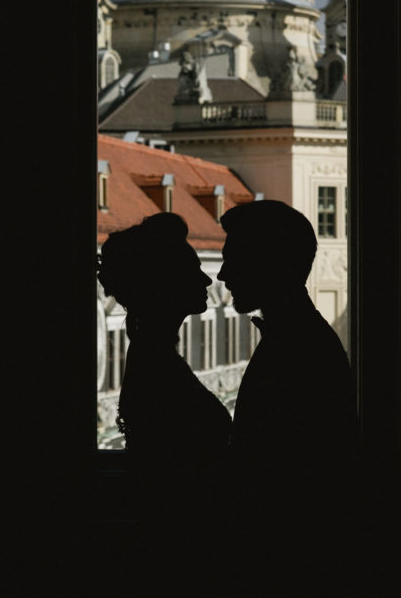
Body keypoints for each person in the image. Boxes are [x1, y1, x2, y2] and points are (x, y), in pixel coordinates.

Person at [217, 199, 357, 590]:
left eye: (233, 260)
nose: (223, 274)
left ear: (267, 263)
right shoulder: (304, 339)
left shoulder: (296, 349)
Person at [96, 212, 231, 589]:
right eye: (192, 269)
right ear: (162, 282)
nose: (206, 278)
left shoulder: (148, 355)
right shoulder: (157, 366)